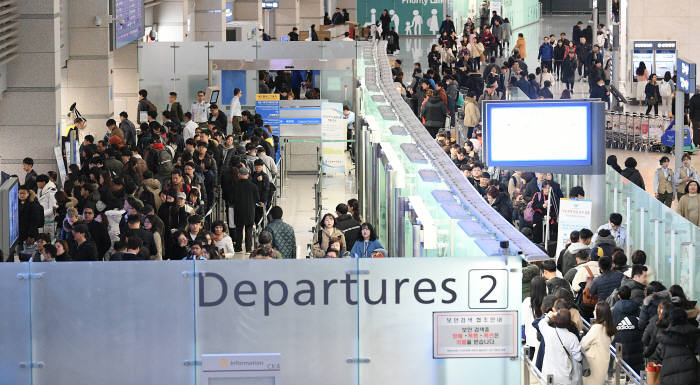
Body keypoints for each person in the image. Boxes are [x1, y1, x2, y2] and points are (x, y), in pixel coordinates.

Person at [655, 307, 700, 385]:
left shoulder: (664, 336)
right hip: (690, 375)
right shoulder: (693, 333)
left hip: (667, 376)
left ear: (670, 320)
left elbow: (659, 355)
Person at [538, 309, 583, 385]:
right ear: (569, 322)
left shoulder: (548, 332)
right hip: (564, 376)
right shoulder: (572, 338)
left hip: (548, 374)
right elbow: (578, 357)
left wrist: (549, 316)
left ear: (555, 320)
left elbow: (541, 323)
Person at [581, 302, 616, 385]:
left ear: (600, 313)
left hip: (593, 365)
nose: (593, 312)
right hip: (603, 363)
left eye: (595, 310)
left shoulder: (597, 328)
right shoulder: (609, 328)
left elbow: (583, 344)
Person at [612, 285, 645, 374]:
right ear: (630, 296)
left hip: (619, 344)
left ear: (618, 296)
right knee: (636, 372)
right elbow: (642, 325)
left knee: (621, 372)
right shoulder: (637, 309)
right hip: (636, 343)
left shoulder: (614, 310)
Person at [232, 167, 260, 253]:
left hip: (238, 211)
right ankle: (248, 248)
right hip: (250, 211)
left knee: (239, 229)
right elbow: (257, 199)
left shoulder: (234, 185)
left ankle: (238, 247)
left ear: (239, 175)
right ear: (248, 175)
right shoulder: (253, 186)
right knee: (249, 230)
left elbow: (231, 199)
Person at [523, 276, 547, 360]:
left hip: (531, 341)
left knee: (530, 369)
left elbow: (521, 321)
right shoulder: (548, 301)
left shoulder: (527, 302)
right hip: (545, 341)